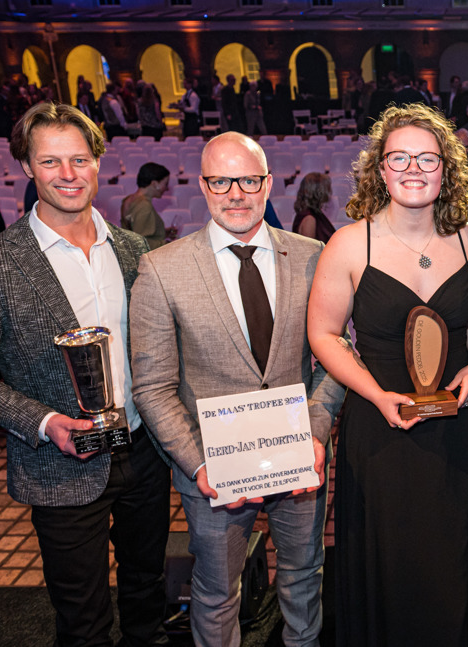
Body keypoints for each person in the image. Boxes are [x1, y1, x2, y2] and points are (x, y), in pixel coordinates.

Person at [0, 102, 170, 647]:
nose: (68, 174)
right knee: (82, 619)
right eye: (50, 161)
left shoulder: (135, 250)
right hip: (59, 464)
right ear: (26, 166)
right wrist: (44, 422)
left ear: (98, 162)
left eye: (80, 159)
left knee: (148, 594)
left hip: (143, 452)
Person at [131, 131, 345, 647]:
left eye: (248, 180)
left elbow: (337, 358)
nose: (235, 194)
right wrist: (198, 465)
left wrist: (315, 434)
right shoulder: (162, 269)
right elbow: (153, 387)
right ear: (203, 186)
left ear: (267, 184)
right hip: (212, 468)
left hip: (299, 457)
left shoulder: (314, 256)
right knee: (216, 591)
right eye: (221, 181)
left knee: (304, 575)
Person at [306, 103, 468, 645]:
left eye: (427, 158)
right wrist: (376, 394)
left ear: (446, 169)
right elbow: (323, 334)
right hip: (381, 428)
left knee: (457, 555)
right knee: (393, 563)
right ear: (380, 168)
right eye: (399, 158)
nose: (413, 168)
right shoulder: (350, 244)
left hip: (458, 428)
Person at [121, 162, 172, 249]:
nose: (167, 188)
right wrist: (167, 243)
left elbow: (133, 229)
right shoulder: (144, 206)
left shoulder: (128, 200)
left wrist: (163, 232)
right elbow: (140, 243)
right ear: (154, 184)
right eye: (165, 184)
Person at [291, 171, 336, 243]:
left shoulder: (313, 214)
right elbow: (309, 249)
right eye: (327, 188)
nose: (329, 192)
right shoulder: (309, 218)